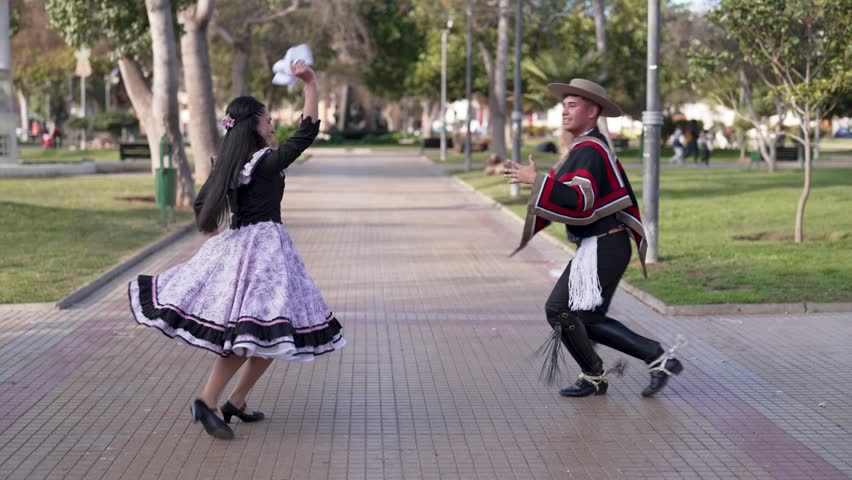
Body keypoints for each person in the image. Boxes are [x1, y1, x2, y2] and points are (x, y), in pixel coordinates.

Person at [127, 61, 345, 440]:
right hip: (265, 255)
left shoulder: (228, 163)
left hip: (245, 250)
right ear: (254, 127)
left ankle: (235, 401)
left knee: (273, 335)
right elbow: (306, 133)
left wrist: (217, 241)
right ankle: (206, 400)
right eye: (267, 121)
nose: (273, 125)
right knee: (251, 336)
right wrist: (310, 83)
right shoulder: (262, 163)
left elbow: (201, 207)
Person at [504, 78, 684, 398]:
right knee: (583, 316)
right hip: (602, 245)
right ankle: (654, 360)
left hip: (605, 245)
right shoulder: (587, 147)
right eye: (564, 105)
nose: (564, 111)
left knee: (559, 310)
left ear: (592, 111)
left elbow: (579, 200)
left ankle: (599, 373)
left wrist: (538, 181)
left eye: (573, 105)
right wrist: (540, 182)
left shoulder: (590, 149)